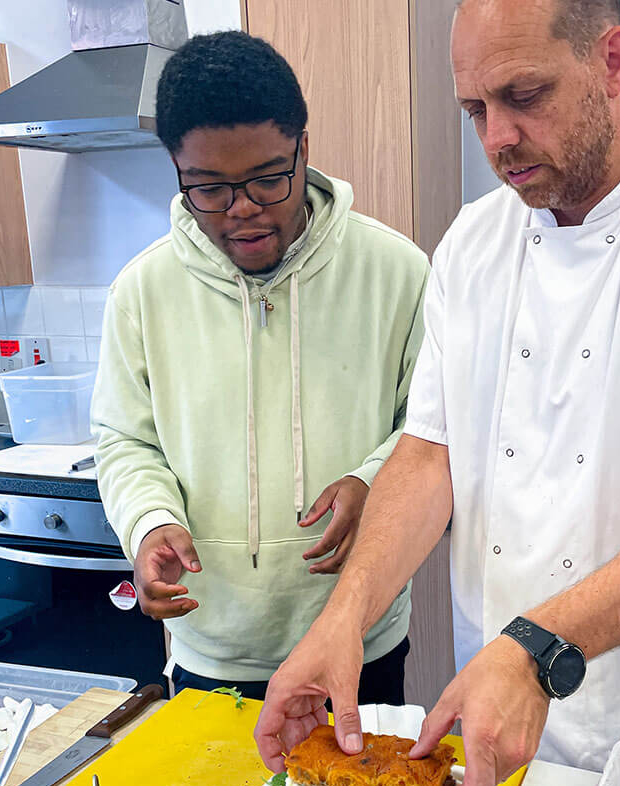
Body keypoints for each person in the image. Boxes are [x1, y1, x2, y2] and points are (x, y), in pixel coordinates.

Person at [255, 0, 620, 786]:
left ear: (613, 60)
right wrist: (344, 617)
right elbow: (431, 454)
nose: (496, 138)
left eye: (524, 96)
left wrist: (535, 647)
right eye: (474, 110)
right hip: (498, 723)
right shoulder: (472, 244)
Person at [91, 31, 428, 702]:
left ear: (304, 150)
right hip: (210, 650)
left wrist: (372, 481)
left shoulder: (398, 271)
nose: (242, 209)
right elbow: (126, 440)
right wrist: (148, 519)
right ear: (177, 171)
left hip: (357, 640)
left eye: (268, 179)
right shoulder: (142, 290)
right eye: (209, 188)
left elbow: (432, 429)